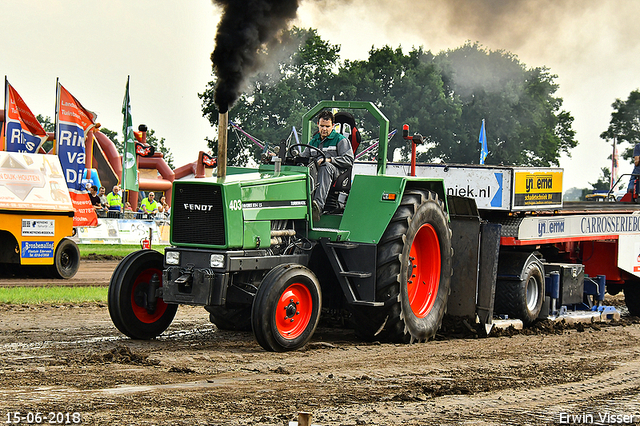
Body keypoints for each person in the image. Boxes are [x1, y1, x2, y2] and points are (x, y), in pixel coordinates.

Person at [301, 110, 354, 221]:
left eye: (327, 126)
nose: (324, 129)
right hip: (315, 171)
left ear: (333, 126)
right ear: (318, 125)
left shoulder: (340, 140)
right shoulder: (313, 142)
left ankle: (317, 207)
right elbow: (303, 157)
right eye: (322, 126)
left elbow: (348, 160)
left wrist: (330, 160)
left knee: (325, 166)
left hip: (336, 171)